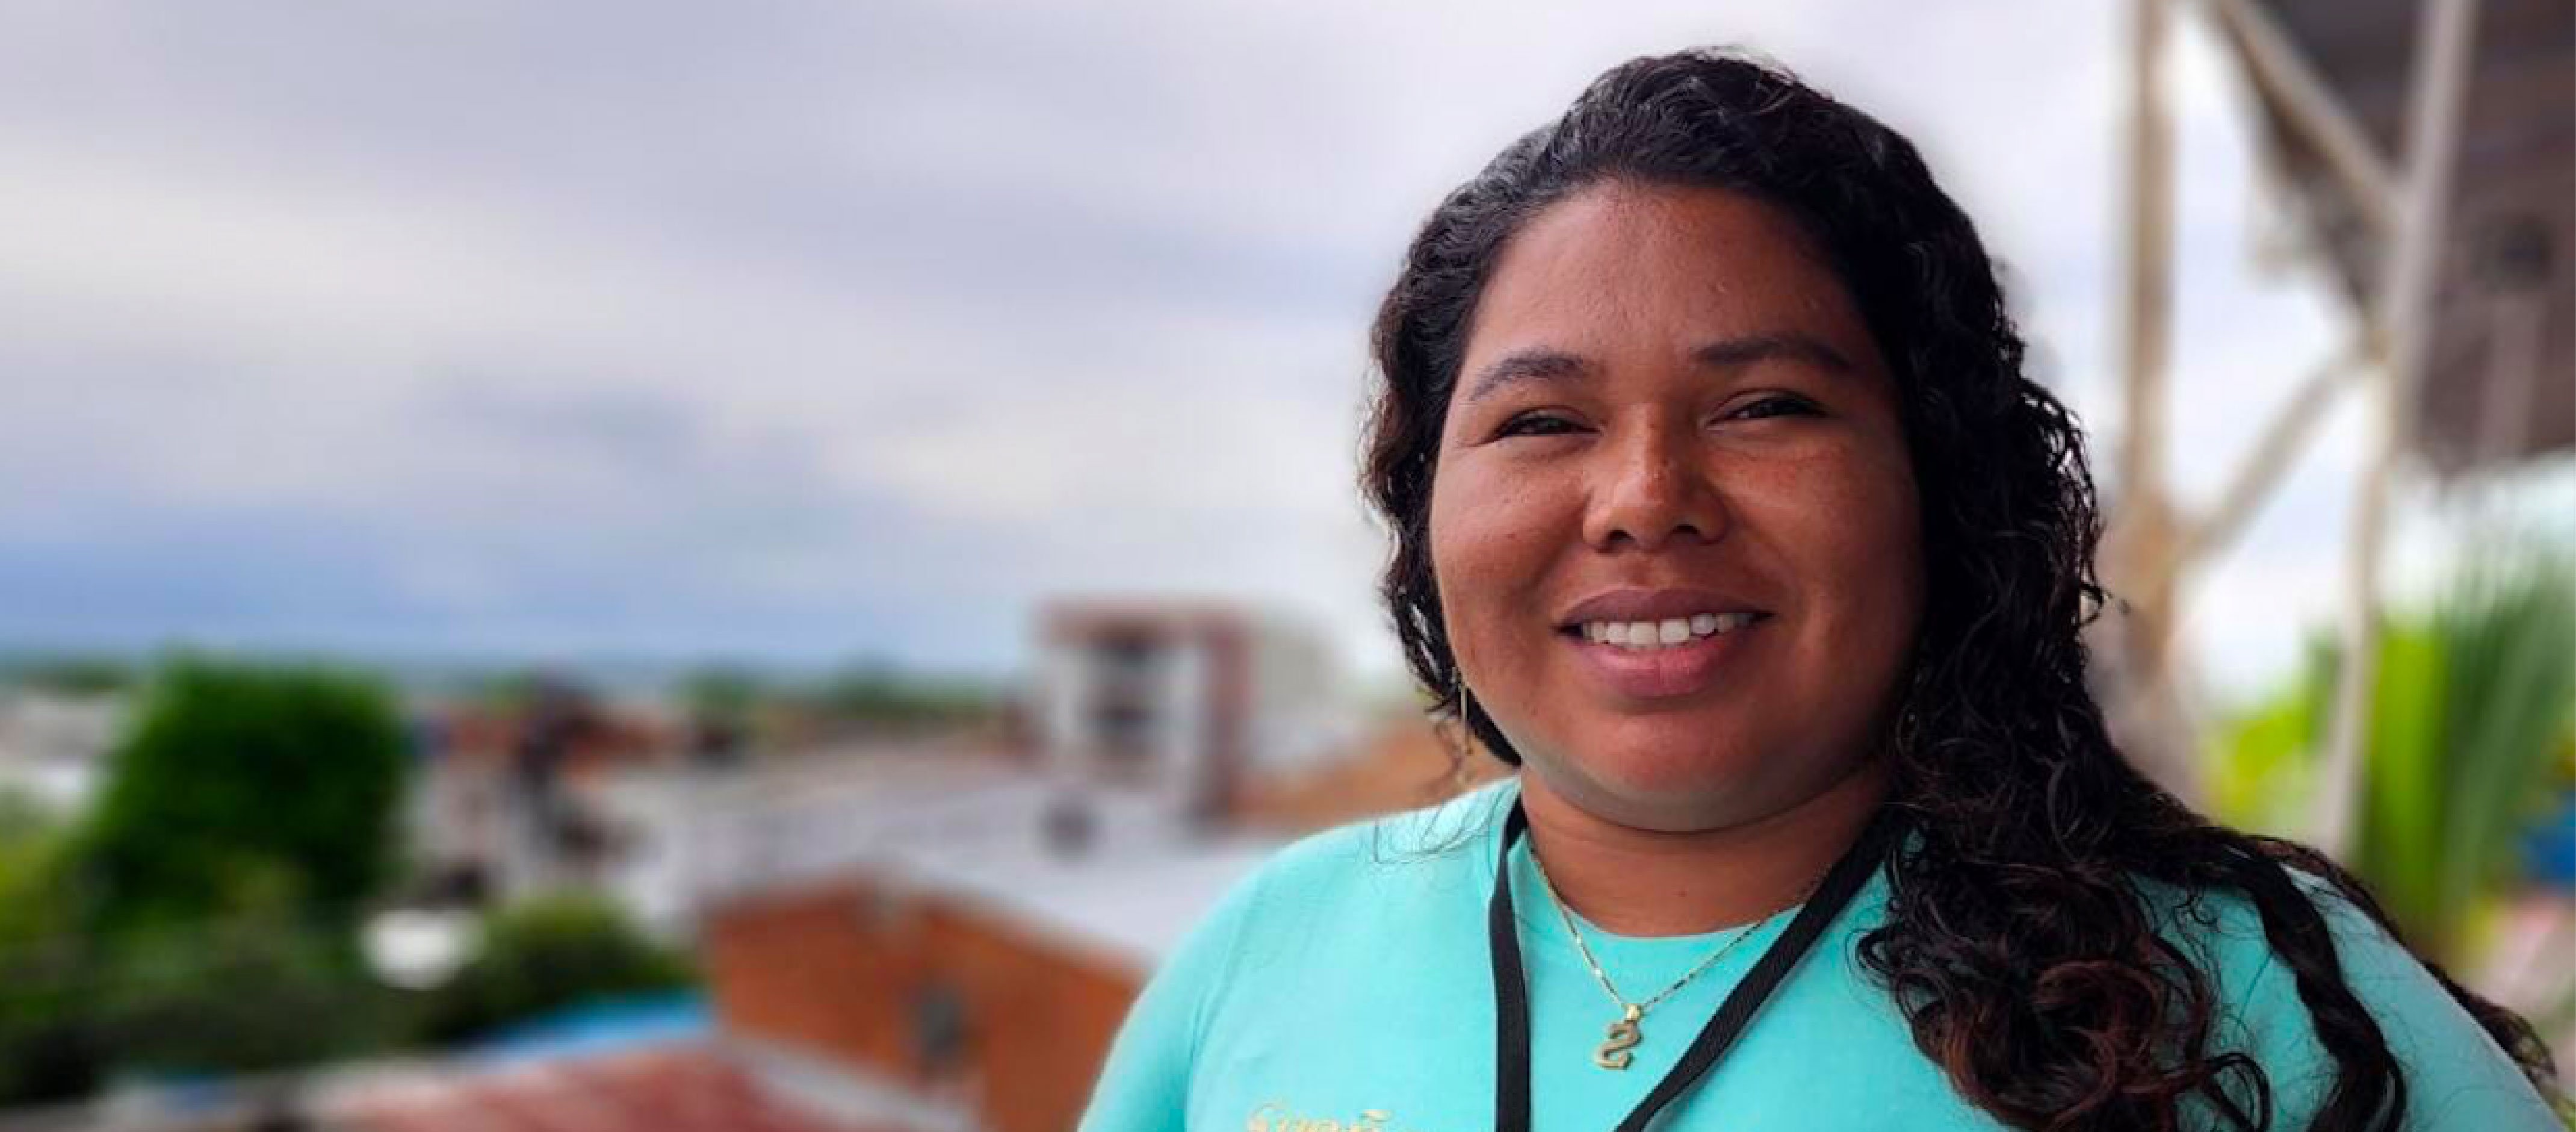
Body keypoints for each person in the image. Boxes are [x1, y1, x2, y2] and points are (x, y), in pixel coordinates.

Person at [1077, 49, 2567, 1131]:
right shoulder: (1263, 953)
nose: (1643, 496)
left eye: (1765, 406)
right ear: (1420, 508)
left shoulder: (2247, 995)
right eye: (1542, 422)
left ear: (1938, 484)